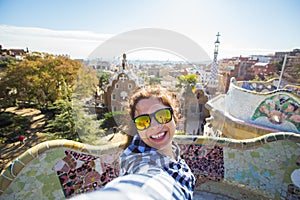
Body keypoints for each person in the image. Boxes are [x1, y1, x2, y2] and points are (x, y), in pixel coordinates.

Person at [119, 86, 195, 199]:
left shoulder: (173, 149)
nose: (154, 126)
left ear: (175, 117)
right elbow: (147, 180)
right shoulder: (138, 161)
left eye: (162, 115)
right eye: (143, 121)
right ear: (137, 129)